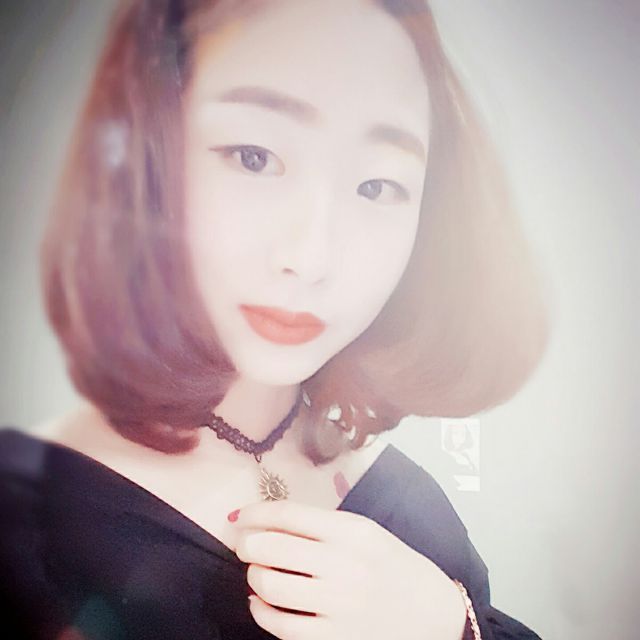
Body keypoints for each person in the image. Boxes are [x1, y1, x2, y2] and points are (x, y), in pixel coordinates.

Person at [0, 0, 549, 638]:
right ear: (144, 161)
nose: (311, 259)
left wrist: (448, 624)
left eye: (377, 187)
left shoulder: (388, 479)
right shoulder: (27, 525)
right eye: (253, 157)